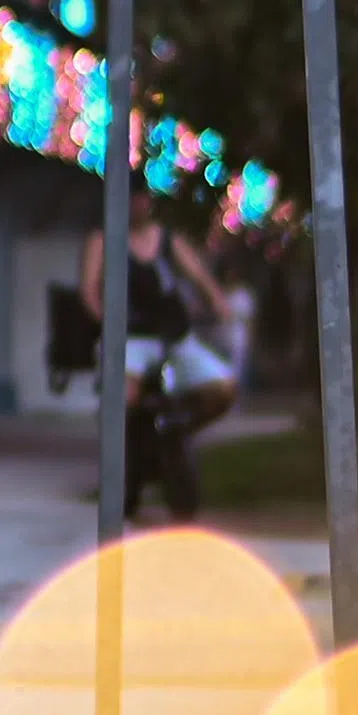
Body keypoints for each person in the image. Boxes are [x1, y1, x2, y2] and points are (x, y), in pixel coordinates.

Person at [116, 205, 242, 520]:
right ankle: (130, 461)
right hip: (132, 337)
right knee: (124, 399)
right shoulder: (106, 238)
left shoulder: (167, 240)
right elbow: (91, 289)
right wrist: (107, 322)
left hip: (173, 336)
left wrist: (217, 302)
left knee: (222, 389)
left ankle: (176, 429)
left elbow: (197, 274)